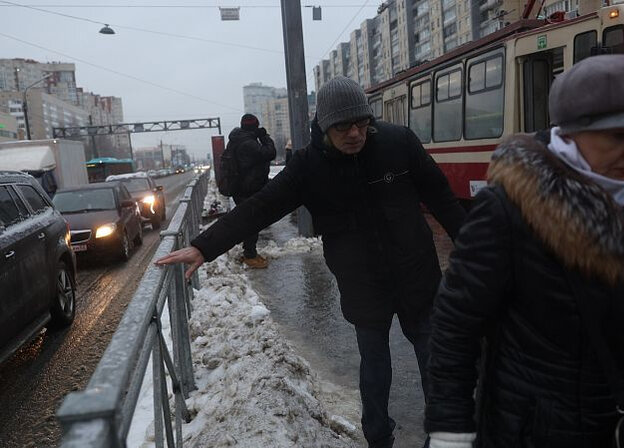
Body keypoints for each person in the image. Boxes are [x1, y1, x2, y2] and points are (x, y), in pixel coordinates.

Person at [156, 76, 466, 448]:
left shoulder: (398, 143)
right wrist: (205, 247)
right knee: (375, 366)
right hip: (363, 284)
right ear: (324, 127)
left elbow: (442, 198)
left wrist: (477, 250)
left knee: (436, 361)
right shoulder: (309, 167)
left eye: (361, 123)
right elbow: (261, 206)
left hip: (417, 274)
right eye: (342, 126)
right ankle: (379, 438)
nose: (355, 133)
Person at [424, 55, 624, 448]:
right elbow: (455, 323)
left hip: (613, 425)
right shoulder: (508, 208)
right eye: (619, 137)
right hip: (529, 431)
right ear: (571, 132)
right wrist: (450, 430)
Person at [228, 113, 276, 268]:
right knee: (252, 221)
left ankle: (250, 252)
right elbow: (270, 153)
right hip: (248, 189)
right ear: (254, 127)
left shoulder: (238, 139)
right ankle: (250, 255)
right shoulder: (248, 143)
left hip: (242, 188)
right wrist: (264, 137)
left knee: (249, 220)